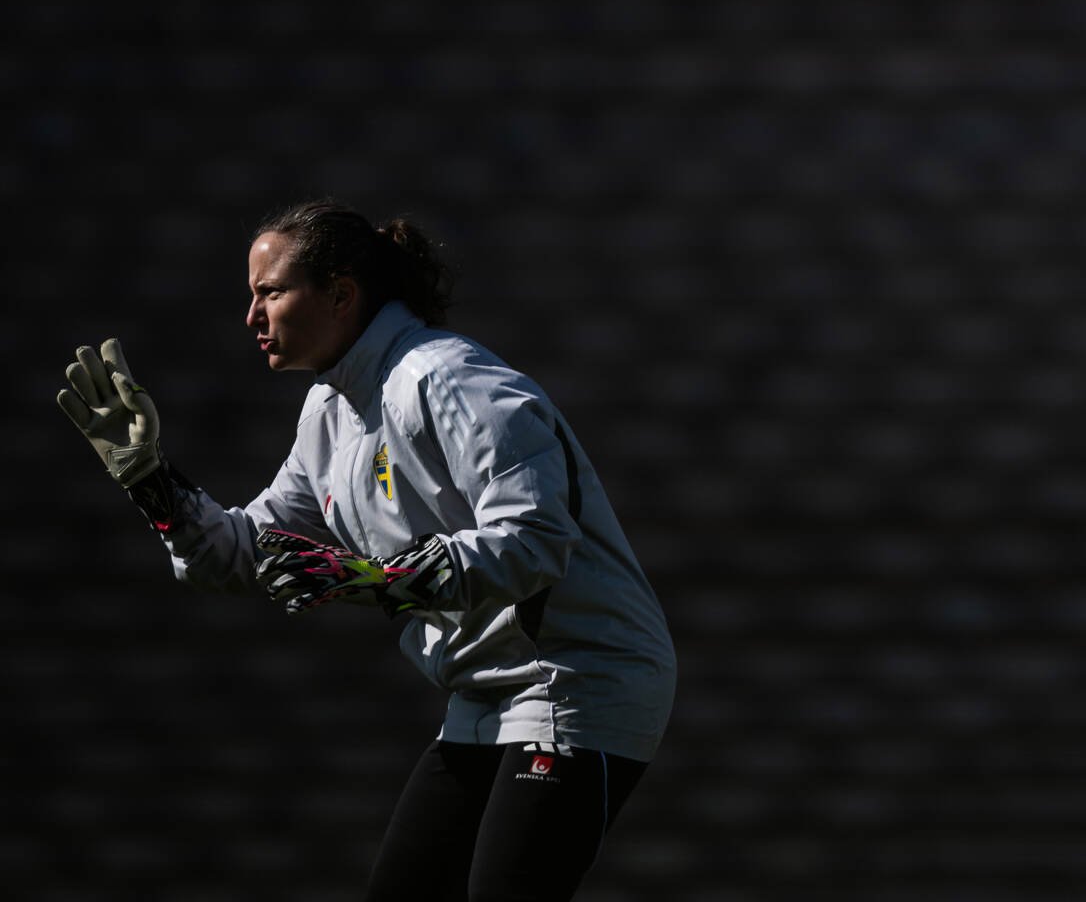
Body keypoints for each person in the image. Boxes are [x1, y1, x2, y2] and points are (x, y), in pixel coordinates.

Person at [57, 200, 676, 902]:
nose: (252, 317)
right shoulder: (330, 412)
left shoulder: (445, 377)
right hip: (482, 694)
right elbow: (248, 554)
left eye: (271, 292)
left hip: (576, 680)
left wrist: (375, 579)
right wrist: (151, 483)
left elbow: (534, 541)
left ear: (342, 294)